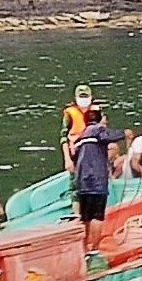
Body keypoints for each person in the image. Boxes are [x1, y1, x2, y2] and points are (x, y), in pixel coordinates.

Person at [69, 106, 126, 256]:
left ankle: (84, 247)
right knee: (97, 216)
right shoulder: (98, 131)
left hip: (82, 181)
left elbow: (74, 157)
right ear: (99, 120)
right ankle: (94, 248)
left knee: (85, 217)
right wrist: (125, 134)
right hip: (97, 181)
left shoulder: (80, 138)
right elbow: (111, 136)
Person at [60, 85, 95, 172]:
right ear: (75, 98)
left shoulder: (96, 112)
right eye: (81, 96)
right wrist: (67, 160)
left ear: (91, 97)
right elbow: (64, 138)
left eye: (86, 96)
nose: (84, 99)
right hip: (76, 149)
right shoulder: (70, 114)